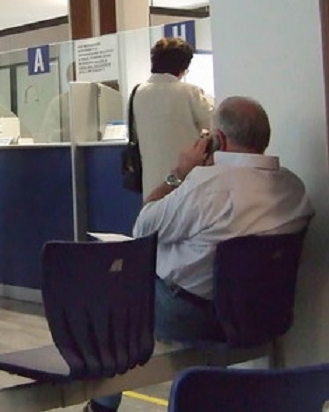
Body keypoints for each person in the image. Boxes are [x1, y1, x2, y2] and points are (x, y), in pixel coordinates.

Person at [86, 96, 314, 412]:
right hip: (260, 312)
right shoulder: (293, 188)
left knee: (112, 293)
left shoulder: (207, 186)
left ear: (217, 139)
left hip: (189, 314)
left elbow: (144, 226)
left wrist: (179, 173)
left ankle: (101, 405)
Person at [132, 37, 213, 197]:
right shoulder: (190, 92)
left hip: (152, 184)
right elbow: (212, 125)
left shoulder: (137, 93)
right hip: (185, 179)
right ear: (183, 66)